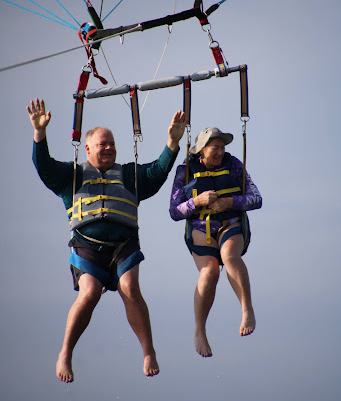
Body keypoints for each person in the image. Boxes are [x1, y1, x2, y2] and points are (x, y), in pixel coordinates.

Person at [27, 98, 185, 383]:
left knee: (130, 287)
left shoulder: (129, 174)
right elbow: (44, 167)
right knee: (88, 293)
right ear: (87, 149)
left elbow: (157, 172)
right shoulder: (71, 175)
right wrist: (40, 135)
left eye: (112, 143)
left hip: (124, 245)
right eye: (103, 144)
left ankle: (148, 351)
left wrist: (172, 144)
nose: (110, 148)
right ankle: (65, 353)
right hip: (86, 247)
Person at [169, 127, 262, 358]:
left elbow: (257, 198)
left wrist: (231, 202)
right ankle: (199, 330)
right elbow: (174, 211)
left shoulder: (234, 165)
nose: (221, 152)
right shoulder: (186, 170)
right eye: (215, 148)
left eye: (222, 147)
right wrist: (196, 202)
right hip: (201, 229)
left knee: (230, 256)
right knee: (209, 272)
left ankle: (246, 309)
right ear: (201, 149)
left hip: (231, 223)